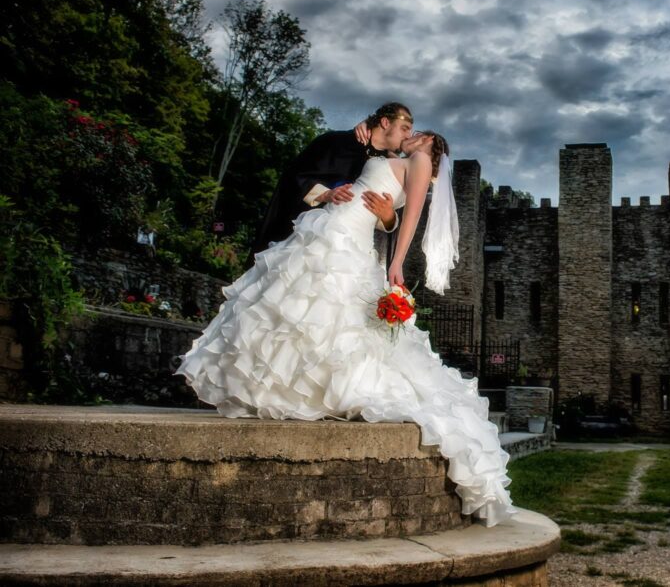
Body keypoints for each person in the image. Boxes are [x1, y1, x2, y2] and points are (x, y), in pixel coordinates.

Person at [177, 131, 515, 527]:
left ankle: (316, 388)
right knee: (298, 312)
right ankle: (286, 387)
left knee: (324, 315)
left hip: (347, 237)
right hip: (330, 227)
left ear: (431, 144)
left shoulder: (421, 160)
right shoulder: (387, 155)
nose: (410, 136)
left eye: (418, 133)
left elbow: (409, 220)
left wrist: (397, 263)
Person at [250, 102, 415, 257]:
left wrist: (388, 218)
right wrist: (325, 194)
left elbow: (383, 209)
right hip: (301, 239)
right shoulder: (335, 142)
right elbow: (295, 176)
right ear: (386, 122)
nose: (408, 136)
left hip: (346, 250)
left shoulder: (387, 167)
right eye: (405, 128)